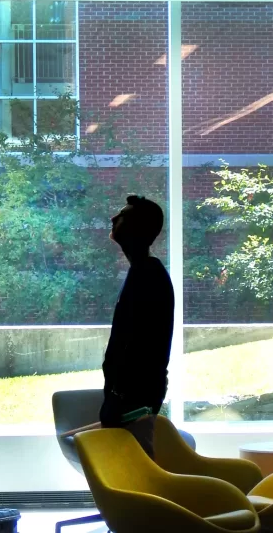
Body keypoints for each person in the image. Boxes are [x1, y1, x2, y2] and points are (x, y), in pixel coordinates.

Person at [62, 196, 174, 457]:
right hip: (129, 396)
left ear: (136, 227)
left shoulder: (148, 274)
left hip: (134, 398)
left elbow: (140, 344)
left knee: (134, 473)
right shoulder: (143, 270)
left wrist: (119, 395)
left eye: (122, 215)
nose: (113, 218)